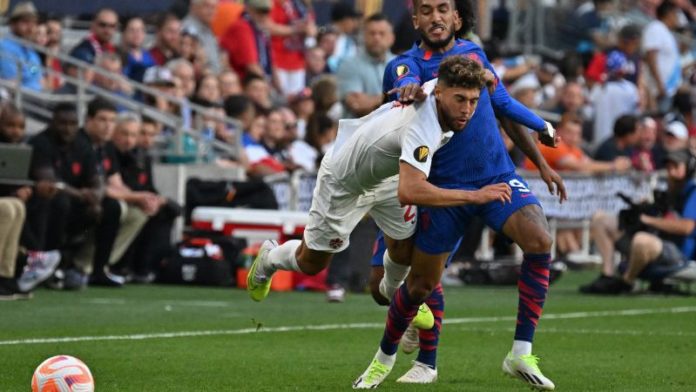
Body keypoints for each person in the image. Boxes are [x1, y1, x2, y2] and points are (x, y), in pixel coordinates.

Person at [354, 0, 565, 388]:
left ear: (456, 17)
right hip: (439, 187)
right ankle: (417, 359)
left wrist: (541, 162)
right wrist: (407, 89)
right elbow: (403, 83)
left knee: (539, 239)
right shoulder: (405, 64)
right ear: (415, 18)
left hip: (495, 175)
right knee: (400, 288)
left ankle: (520, 354)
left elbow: (501, 107)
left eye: (443, 9)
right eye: (427, 10)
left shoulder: (474, 55)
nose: (436, 17)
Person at [247, 57, 511, 307]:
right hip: (344, 180)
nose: (467, 109)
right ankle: (269, 258)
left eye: (473, 101)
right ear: (440, 93)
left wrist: (488, 76)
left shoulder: (438, 87)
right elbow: (410, 191)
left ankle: (400, 302)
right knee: (312, 262)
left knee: (404, 248)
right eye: (460, 100)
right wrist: (475, 196)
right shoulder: (423, 127)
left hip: (388, 175)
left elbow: (450, 76)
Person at [585, 149, 696, 294]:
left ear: (689, 167)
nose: (671, 171)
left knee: (641, 240)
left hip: (679, 255)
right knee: (601, 220)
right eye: (668, 167)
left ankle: (626, 282)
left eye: (676, 166)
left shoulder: (692, 192)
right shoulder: (667, 191)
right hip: (656, 245)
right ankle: (608, 275)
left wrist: (648, 220)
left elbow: (687, 227)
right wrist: (642, 210)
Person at [336, 13, 395, 118]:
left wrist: (373, 100)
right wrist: (393, 97)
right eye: (372, 33)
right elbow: (358, 105)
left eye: (382, 33)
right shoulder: (349, 65)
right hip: (359, 132)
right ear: (363, 36)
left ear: (391, 38)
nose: (377, 38)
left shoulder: (402, 64)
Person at [0, 1, 43, 91]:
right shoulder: (4, 47)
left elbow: (38, 78)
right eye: (25, 22)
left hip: (38, 98)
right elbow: (11, 83)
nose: (31, 27)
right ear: (13, 25)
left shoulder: (32, 52)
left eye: (33, 22)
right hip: (19, 99)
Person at [181, 0, 222, 73]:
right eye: (207, 6)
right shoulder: (188, 28)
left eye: (214, 7)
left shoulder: (206, 27)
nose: (211, 11)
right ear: (193, 7)